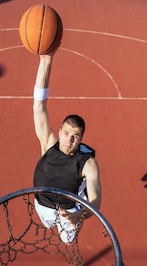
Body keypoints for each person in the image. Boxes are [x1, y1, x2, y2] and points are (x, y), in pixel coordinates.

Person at [31, 53, 102, 243]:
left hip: (69, 211)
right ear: (59, 131)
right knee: (46, 226)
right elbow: (39, 105)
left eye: (75, 137)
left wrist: (80, 216)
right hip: (42, 205)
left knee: (67, 240)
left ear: (80, 139)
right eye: (66, 133)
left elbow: (96, 200)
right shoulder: (48, 144)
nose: (69, 140)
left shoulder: (88, 164)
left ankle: (75, 216)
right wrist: (46, 61)